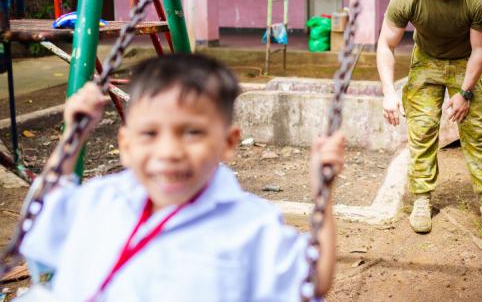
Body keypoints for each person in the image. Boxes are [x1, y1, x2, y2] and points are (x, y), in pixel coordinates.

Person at [18, 54, 344, 301]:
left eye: (192, 132)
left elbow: (313, 279)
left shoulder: (250, 225)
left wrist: (323, 193)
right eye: (149, 133)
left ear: (228, 143)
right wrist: (72, 138)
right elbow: (44, 214)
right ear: (126, 145)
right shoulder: (102, 199)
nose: (169, 151)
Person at [377, 0, 482, 234]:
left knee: (476, 132)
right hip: (426, 61)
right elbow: (385, 44)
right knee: (422, 131)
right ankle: (422, 198)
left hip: (465, 62)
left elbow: (480, 49)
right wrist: (388, 92)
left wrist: (464, 92)